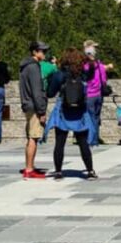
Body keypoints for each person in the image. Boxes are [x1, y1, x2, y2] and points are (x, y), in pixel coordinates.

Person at [46, 48, 97, 179]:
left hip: (63, 111)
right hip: (80, 112)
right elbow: (92, 70)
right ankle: (90, 171)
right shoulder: (83, 74)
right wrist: (88, 59)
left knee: (60, 142)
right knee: (83, 142)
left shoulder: (59, 74)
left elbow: (50, 93)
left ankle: (58, 171)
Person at [20, 41, 49, 179]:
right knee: (33, 137)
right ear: (34, 52)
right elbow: (37, 92)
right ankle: (29, 169)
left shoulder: (26, 67)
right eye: (42, 51)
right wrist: (42, 111)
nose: (44, 54)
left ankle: (29, 166)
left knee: (31, 137)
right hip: (34, 107)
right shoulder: (33, 68)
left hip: (28, 105)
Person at [82, 40, 114, 147]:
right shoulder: (99, 65)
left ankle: (90, 140)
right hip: (99, 94)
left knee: (90, 117)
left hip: (89, 94)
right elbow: (104, 76)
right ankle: (94, 139)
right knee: (95, 117)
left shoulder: (85, 66)